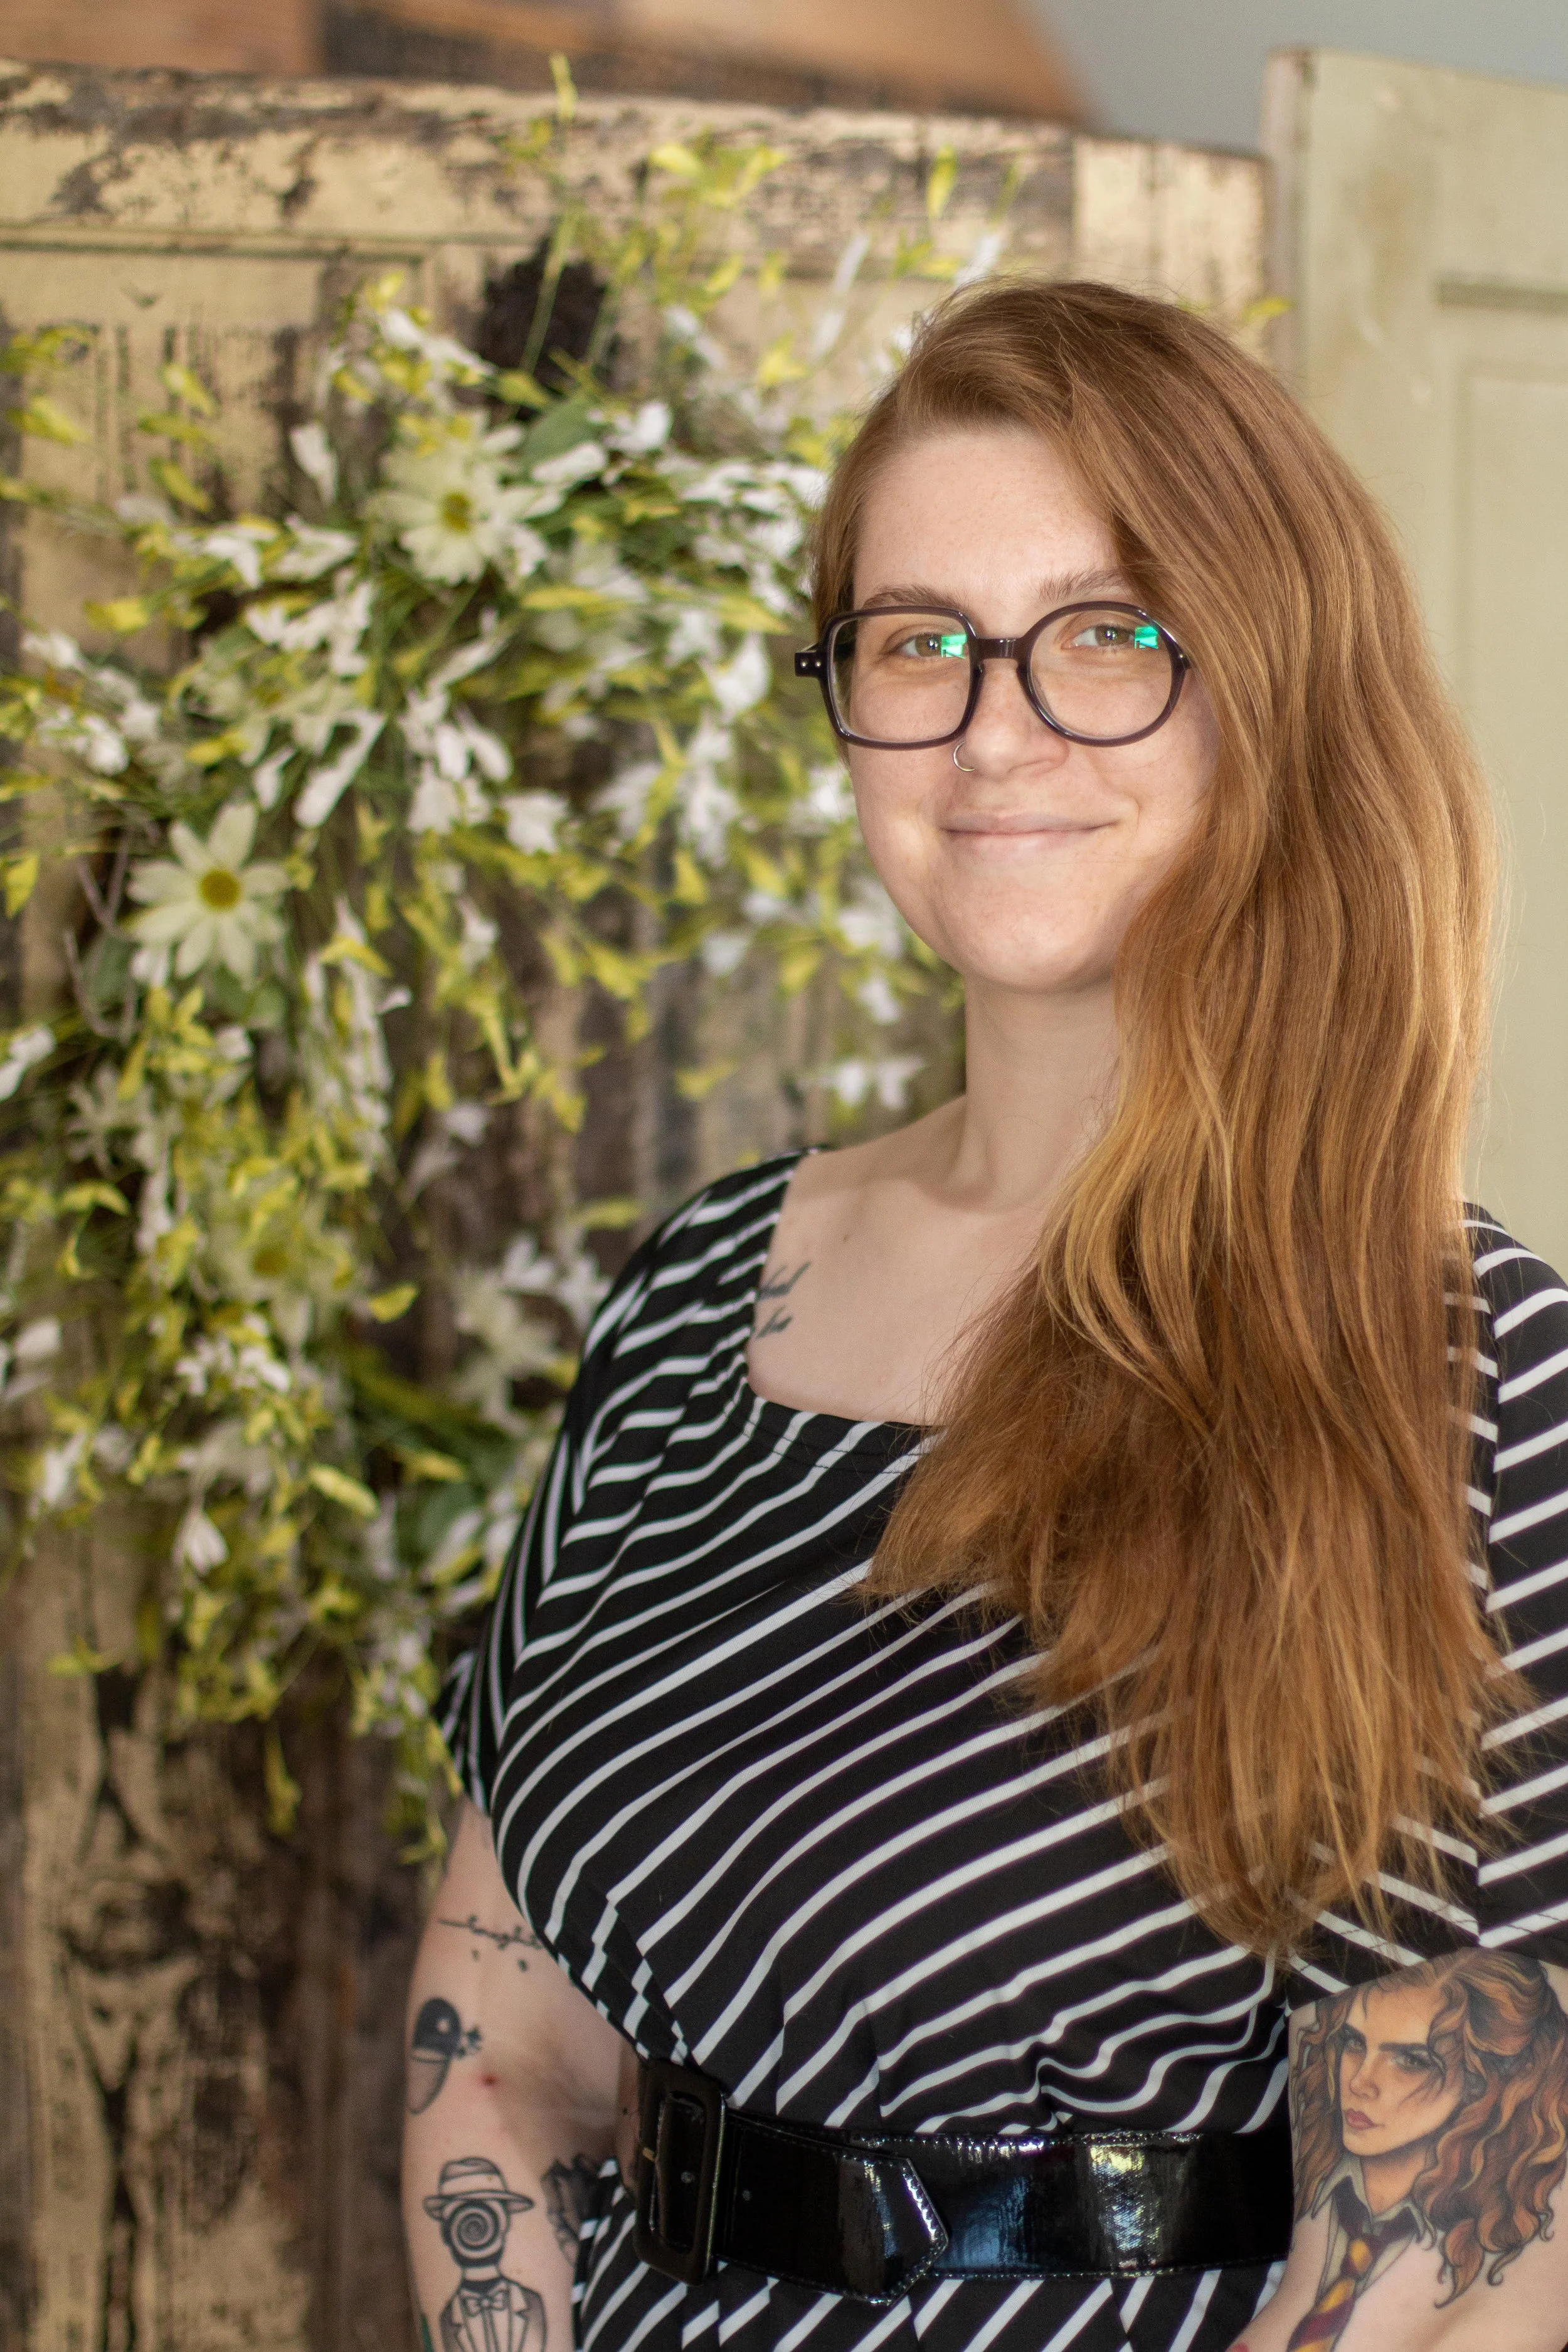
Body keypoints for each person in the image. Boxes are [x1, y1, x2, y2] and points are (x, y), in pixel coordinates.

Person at [400, 279, 1568, 2352]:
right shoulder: (698, 1292)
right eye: (915, 641)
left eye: (1106, 634)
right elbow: (497, 2047)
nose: (996, 726)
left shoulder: (1474, 1375)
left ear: (1276, 689)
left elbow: (1463, 2253)